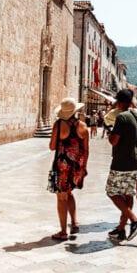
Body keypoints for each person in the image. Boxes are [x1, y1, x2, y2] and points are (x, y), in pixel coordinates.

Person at [105, 89, 137, 242]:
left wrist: (110, 132)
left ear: (118, 102)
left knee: (111, 192)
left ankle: (135, 220)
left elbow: (114, 141)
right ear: (131, 101)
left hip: (122, 161)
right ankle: (121, 229)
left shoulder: (121, 117)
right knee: (128, 194)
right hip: (136, 161)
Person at [48, 97, 88, 240]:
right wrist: (83, 168)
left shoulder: (59, 125)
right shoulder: (83, 126)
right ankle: (74, 222)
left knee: (61, 197)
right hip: (77, 166)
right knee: (69, 193)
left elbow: (52, 146)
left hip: (62, 166)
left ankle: (63, 232)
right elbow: (86, 150)